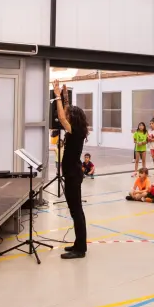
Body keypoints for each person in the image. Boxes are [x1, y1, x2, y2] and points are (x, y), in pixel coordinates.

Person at [52, 79, 88, 260]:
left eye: (68, 114)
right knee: (75, 211)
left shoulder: (74, 131)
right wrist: (64, 95)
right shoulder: (76, 129)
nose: (65, 115)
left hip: (73, 175)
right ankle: (78, 243)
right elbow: (66, 112)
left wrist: (57, 96)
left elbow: (61, 116)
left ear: (72, 118)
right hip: (72, 174)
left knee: (76, 211)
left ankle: (80, 249)